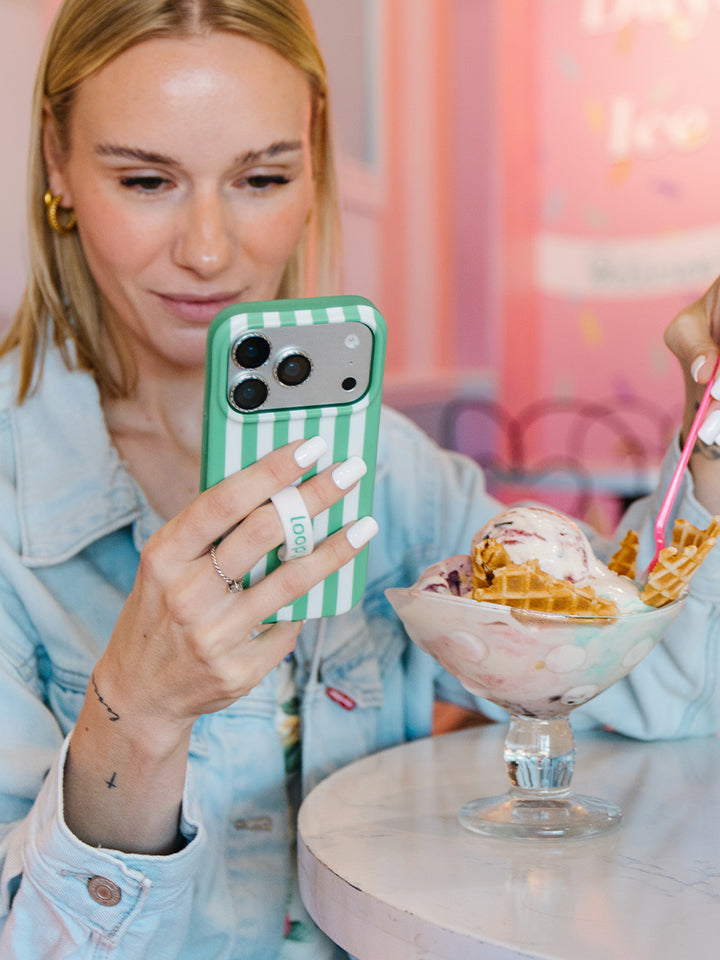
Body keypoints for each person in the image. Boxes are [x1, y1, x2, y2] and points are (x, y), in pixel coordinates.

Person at [0, 1, 719, 957]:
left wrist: (708, 438)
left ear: (315, 166)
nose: (210, 250)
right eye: (145, 178)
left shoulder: (390, 471)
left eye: (263, 177)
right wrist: (136, 709)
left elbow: (670, 688)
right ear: (57, 163)